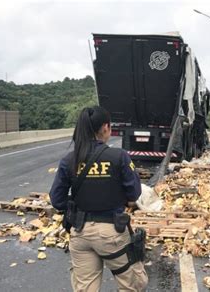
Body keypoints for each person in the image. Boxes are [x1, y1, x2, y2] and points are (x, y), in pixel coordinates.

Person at [49, 106, 148, 292]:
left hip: (80, 234)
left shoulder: (69, 160)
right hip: (112, 234)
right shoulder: (119, 157)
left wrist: (80, 202)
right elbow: (134, 194)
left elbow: (57, 200)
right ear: (105, 127)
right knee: (133, 285)